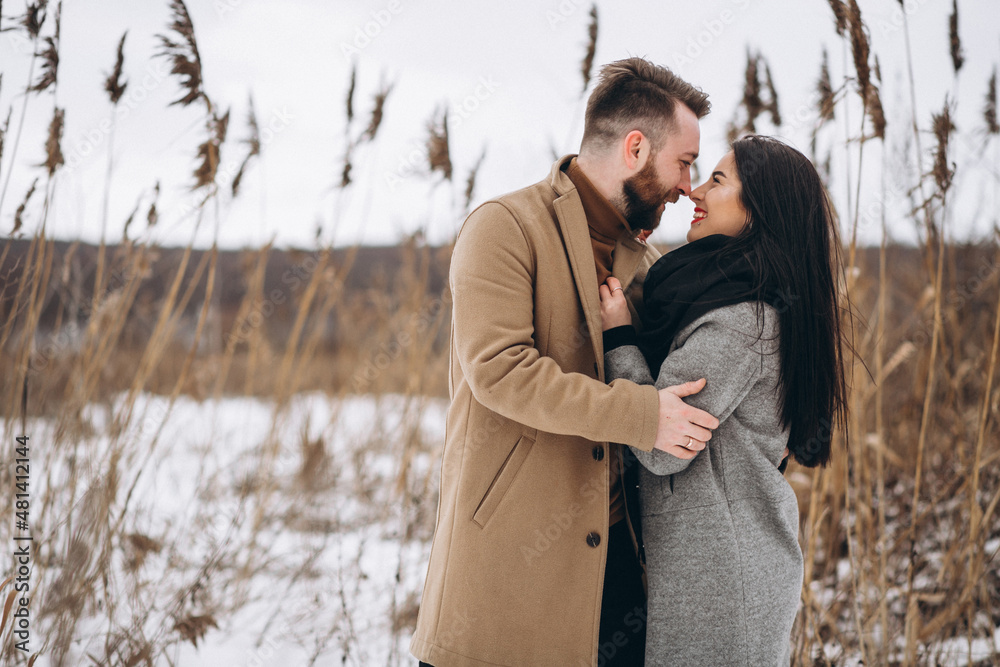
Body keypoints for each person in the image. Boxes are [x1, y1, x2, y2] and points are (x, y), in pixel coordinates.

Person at [410, 58, 719, 667]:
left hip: (615, 576)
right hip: (506, 572)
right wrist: (641, 416)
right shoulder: (503, 227)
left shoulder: (648, 265)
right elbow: (501, 371)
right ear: (636, 148)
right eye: (684, 162)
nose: (689, 185)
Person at [598, 135, 849, 665]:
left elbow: (660, 447)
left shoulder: (741, 322)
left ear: (759, 209)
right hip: (723, 565)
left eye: (717, 180)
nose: (694, 191)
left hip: (721, 583)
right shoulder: (744, 297)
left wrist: (618, 337)